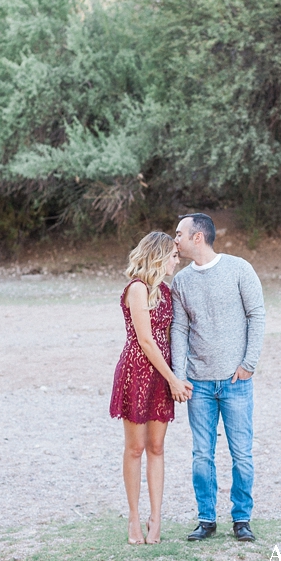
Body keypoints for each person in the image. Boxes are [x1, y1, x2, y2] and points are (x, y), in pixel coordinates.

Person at [170, 213, 265, 543]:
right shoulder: (180, 282)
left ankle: (241, 519)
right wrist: (179, 376)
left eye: (179, 233)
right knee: (201, 455)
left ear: (198, 237)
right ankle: (206, 518)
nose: (175, 240)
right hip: (198, 383)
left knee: (242, 454)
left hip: (236, 380)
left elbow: (257, 315)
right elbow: (179, 329)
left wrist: (249, 363)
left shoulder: (239, 269)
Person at [110, 232, 193, 545]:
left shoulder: (168, 292)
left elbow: (175, 335)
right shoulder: (137, 289)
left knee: (157, 447)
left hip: (162, 374)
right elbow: (145, 340)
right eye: (173, 255)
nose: (177, 260)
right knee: (135, 448)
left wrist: (177, 374)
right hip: (137, 372)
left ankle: (155, 518)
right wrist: (174, 379)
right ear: (158, 256)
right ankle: (133, 518)